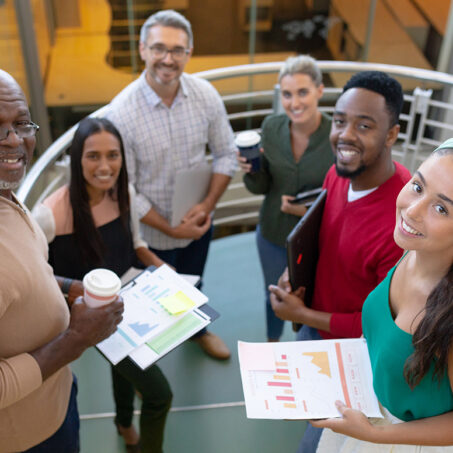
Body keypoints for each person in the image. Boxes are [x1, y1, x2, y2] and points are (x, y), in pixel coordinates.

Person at [268, 71, 412, 453]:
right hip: (314, 329)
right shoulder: (339, 173)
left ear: (392, 135)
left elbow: (380, 328)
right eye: (340, 121)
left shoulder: (402, 226)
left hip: (352, 360)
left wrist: (303, 314)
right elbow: (326, 241)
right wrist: (291, 273)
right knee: (303, 414)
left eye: (364, 125)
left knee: (316, 446)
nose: (345, 135)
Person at [33, 117, 173, 453]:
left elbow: (137, 244)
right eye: (93, 156)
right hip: (85, 315)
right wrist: (75, 293)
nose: (105, 166)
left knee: (122, 366)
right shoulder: (49, 215)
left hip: (127, 300)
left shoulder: (125, 193)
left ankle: (124, 424)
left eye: (113, 155)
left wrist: (164, 271)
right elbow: (34, 273)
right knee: (159, 394)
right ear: (77, 158)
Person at [0, 72, 123, 452]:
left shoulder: (6, 193)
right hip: (24, 439)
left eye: (21, 123)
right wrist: (75, 340)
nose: (14, 140)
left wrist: (71, 289)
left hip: (56, 397)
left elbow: (28, 273)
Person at [106, 9, 236, 360]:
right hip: (149, 237)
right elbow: (125, 190)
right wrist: (169, 229)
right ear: (142, 49)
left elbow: (226, 154)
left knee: (194, 285)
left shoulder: (206, 95)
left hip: (197, 224)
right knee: (150, 303)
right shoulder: (120, 114)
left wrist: (205, 208)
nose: (168, 58)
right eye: (159, 48)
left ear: (189, 53)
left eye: (177, 50)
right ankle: (149, 355)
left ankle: (198, 332)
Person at [313, 141, 453, 452]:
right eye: (417, 186)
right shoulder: (411, 251)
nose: (412, 210)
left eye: (441, 208)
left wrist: (377, 436)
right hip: (366, 412)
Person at [238, 55, 333, 342]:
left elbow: (341, 197)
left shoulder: (336, 135)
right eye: (288, 94)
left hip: (315, 240)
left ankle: (300, 350)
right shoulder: (271, 127)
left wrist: (301, 210)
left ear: (319, 90)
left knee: (307, 298)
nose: (295, 103)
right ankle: (272, 342)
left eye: (303, 92)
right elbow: (262, 186)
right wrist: (251, 172)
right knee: (273, 296)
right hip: (272, 232)